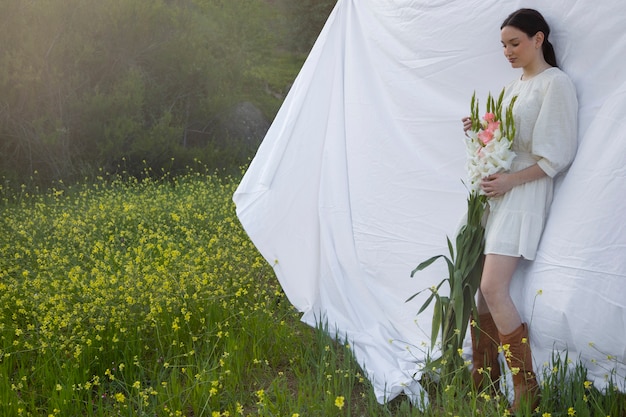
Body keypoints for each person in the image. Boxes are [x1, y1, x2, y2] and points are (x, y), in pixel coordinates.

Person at [461, 8, 578, 413]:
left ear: (538, 39)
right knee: (480, 293)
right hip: (499, 196)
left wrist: (510, 180)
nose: (508, 52)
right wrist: (478, 130)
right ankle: (484, 380)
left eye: (515, 43)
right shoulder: (512, 87)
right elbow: (504, 144)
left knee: (494, 288)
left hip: (524, 193)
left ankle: (526, 392)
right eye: (503, 46)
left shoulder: (554, 84)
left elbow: (555, 156)